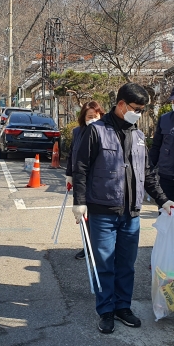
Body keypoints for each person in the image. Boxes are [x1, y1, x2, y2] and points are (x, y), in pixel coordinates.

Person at [72, 83, 174, 334]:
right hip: (102, 211)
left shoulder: (138, 136)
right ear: (121, 105)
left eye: (142, 110)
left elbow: (148, 174)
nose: (139, 114)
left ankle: (123, 307)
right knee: (105, 264)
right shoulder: (96, 131)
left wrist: (164, 200)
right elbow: (81, 168)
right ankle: (106, 310)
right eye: (136, 109)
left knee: (127, 265)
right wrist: (79, 202)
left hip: (131, 213)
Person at [65, 101, 105, 260]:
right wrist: (69, 174)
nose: (93, 120)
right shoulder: (77, 132)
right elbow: (71, 155)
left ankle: (97, 248)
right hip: (81, 179)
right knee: (82, 215)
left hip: (98, 180)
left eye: (96, 117)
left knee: (96, 216)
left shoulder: (105, 132)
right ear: (83, 117)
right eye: (90, 117)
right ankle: (87, 246)